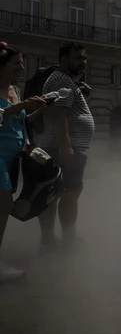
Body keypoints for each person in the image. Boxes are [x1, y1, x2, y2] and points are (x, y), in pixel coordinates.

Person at [36, 42, 94, 251]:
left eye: (84, 58)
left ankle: (57, 240)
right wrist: (66, 148)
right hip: (61, 148)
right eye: (78, 58)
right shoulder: (61, 80)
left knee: (63, 194)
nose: (83, 62)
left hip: (63, 147)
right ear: (63, 60)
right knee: (65, 195)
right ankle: (59, 241)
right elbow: (59, 117)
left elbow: (66, 112)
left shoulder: (66, 81)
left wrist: (82, 97)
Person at [0, 45, 50, 281]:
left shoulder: (14, 90)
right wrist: (22, 106)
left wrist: (38, 109)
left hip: (12, 158)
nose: (22, 67)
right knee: (4, 205)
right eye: (16, 63)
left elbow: (20, 120)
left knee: (2, 208)